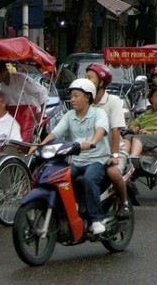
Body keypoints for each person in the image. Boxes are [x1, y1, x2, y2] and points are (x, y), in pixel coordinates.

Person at [39, 78, 110, 236]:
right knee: (58, 177)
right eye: (71, 96)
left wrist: (92, 141)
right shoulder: (69, 116)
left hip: (96, 159)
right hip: (76, 161)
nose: (73, 99)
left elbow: (100, 130)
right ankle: (72, 207)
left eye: (76, 95)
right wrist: (39, 145)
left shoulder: (98, 113)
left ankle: (96, 219)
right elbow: (55, 133)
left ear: (88, 97)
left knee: (89, 178)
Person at [87, 63, 130, 220]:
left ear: (101, 82)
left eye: (90, 78)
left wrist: (114, 155)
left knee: (112, 172)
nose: (86, 81)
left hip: (113, 151)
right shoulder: (84, 102)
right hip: (90, 153)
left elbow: (116, 131)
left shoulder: (113, 101)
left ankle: (123, 202)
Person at [125, 87, 157, 156]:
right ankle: (123, 159)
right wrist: (133, 128)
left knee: (138, 137)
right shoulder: (147, 113)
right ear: (151, 99)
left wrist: (151, 132)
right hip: (145, 135)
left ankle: (133, 159)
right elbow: (132, 123)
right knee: (128, 137)